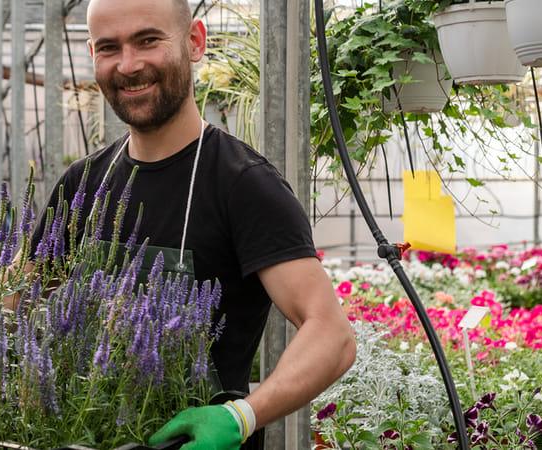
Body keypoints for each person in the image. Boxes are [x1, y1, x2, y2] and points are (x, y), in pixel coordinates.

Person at [31, 0, 357, 447]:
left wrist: (241, 416)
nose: (128, 65)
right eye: (109, 48)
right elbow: (18, 297)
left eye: (148, 40)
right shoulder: (82, 183)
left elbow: (332, 334)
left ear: (194, 41)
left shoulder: (243, 184)